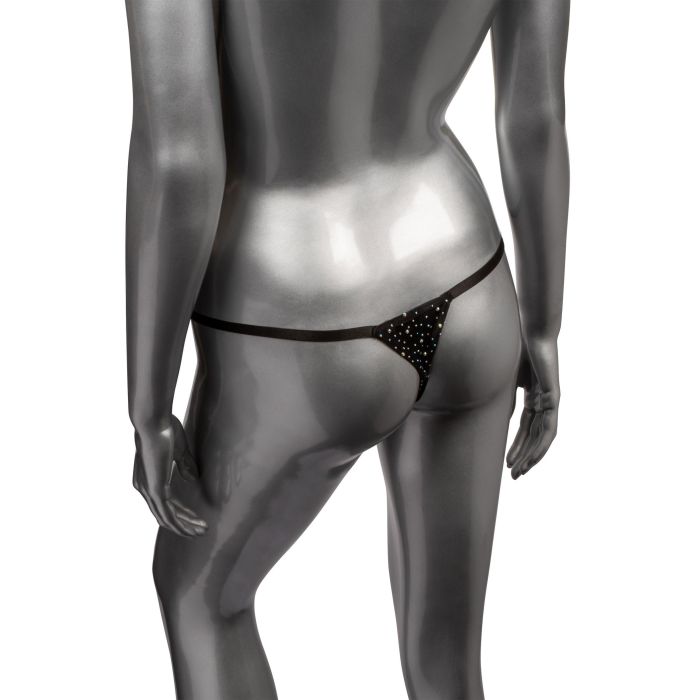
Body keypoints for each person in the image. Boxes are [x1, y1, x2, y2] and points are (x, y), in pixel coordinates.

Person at [124, 0, 570, 697]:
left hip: (302, 313)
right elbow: (533, 118)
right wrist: (542, 326)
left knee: (198, 597)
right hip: (466, 279)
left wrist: (149, 404)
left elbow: (180, 161)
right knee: (446, 660)